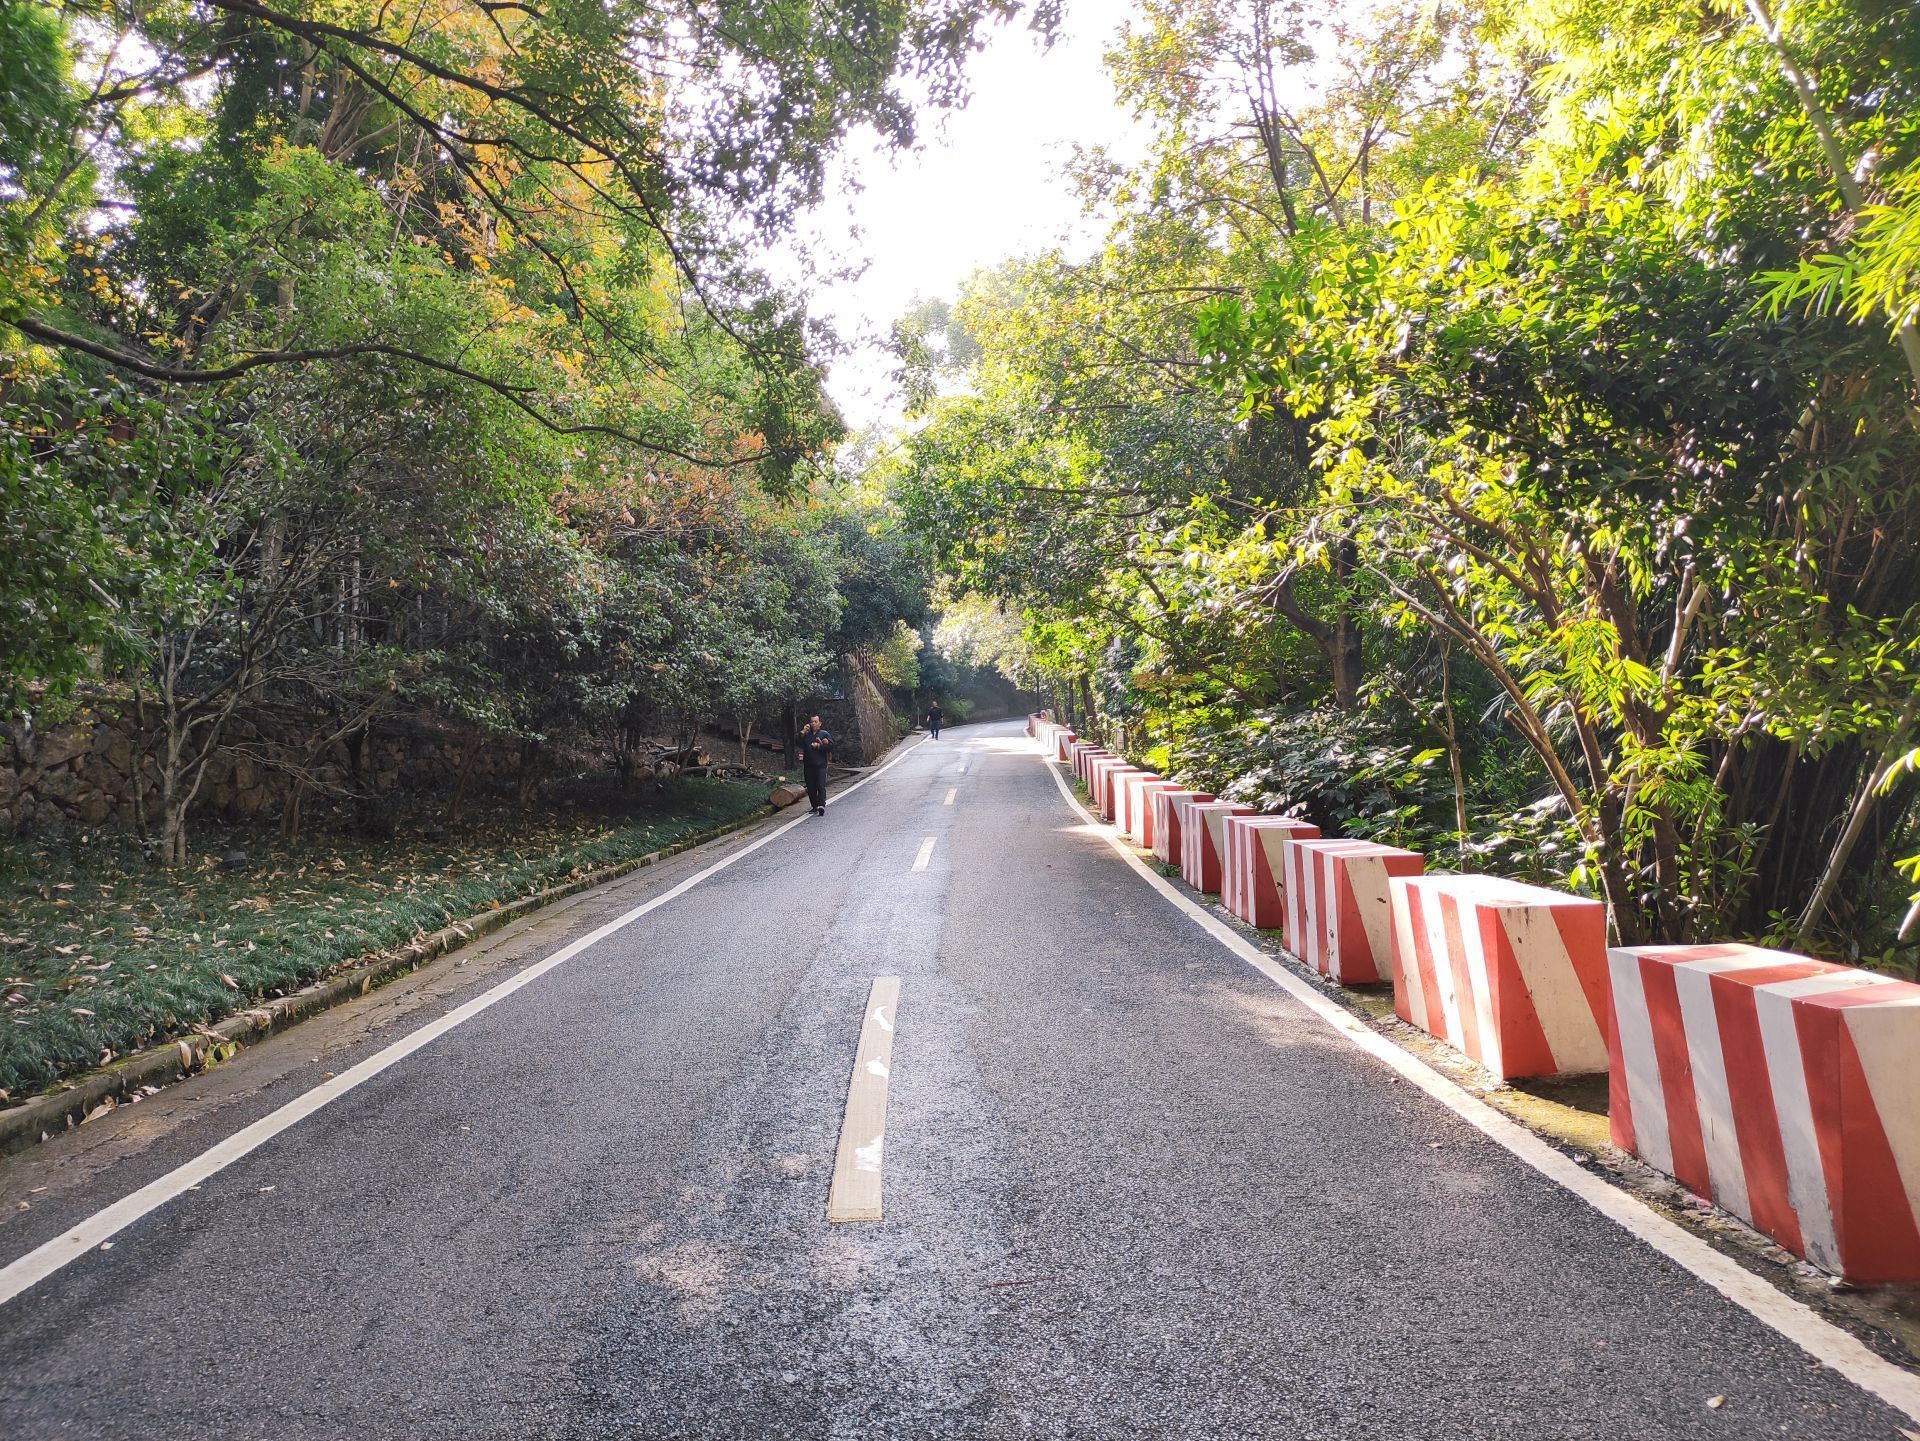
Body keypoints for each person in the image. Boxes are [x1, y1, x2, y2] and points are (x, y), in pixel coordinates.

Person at [800, 714, 833, 815]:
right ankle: (814, 806)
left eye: (815, 721)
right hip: (808, 765)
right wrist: (803, 731)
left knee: (820, 785)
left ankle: (821, 805)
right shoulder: (806, 735)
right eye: (812, 722)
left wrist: (819, 746)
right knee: (811, 787)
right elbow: (798, 743)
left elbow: (830, 747)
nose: (813, 723)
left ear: (820, 723)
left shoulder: (824, 734)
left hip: (821, 765)